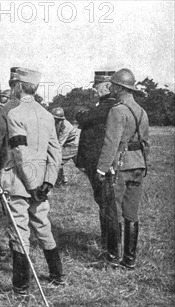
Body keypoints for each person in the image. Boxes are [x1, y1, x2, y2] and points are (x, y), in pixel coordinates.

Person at [0, 67, 65, 296]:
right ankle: (58, 276)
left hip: (19, 182)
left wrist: (31, 185)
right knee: (43, 226)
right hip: (41, 183)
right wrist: (47, 182)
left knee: (19, 232)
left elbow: (19, 152)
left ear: (18, 86)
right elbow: (55, 153)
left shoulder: (14, 114)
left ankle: (21, 289)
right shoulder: (48, 115)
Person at [96, 68, 149, 270]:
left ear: (119, 87)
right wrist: (145, 164)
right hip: (138, 165)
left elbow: (111, 142)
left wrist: (102, 169)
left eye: (114, 85)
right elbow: (146, 143)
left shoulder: (117, 110)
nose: (112, 88)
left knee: (113, 212)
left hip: (120, 166)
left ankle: (112, 257)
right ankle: (130, 259)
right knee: (132, 214)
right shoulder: (142, 111)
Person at [75, 71, 117, 253]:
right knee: (103, 202)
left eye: (97, 86)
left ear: (108, 86)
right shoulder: (104, 106)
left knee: (107, 204)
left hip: (102, 164)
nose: (94, 89)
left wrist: (81, 114)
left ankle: (110, 246)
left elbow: (84, 118)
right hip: (98, 163)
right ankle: (107, 242)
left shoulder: (109, 106)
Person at [51, 107, 80, 185]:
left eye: (56, 118)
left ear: (61, 119)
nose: (54, 120)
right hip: (68, 144)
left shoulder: (66, 126)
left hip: (73, 145)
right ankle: (63, 179)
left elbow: (60, 143)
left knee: (57, 160)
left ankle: (59, 181)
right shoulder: (55, 124)